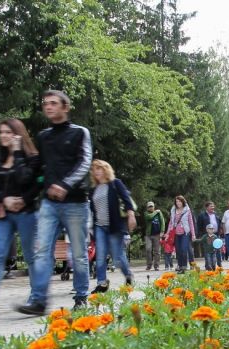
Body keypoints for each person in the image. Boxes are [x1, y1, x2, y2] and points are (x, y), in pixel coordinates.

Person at [18, 90, 92, 315]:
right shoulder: (44, 136)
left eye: (53, 103)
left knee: (78, 255)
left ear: (65, 107)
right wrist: (24, 196)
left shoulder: (80, 133)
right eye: (45, 103)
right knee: (42, 253)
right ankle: (38, 300)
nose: (48, 107)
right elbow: (39, 169)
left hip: (76, 203)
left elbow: (85, 162)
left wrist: (65, 185)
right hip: (48, 205)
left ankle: (80, 297)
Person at [0, 118, 41, 314]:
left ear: (18, 134)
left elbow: (28, 181)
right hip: (4, 215)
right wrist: (4, 199)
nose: (3, 136)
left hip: (27, 213)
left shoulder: (32, 157)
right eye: (1, 132)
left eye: (8, 132)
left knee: (31, 257)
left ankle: (36, 298)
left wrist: (16, 153)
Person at [88, 160, 136, 293]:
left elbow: (126, 200)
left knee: (118, 257)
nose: (96, 171)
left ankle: (128, 275)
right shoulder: (93, 189)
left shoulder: (115, 183)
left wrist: (131, 215)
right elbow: (92, 209)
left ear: (105, 170)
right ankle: (102, 282)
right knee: (100, 255)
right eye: (94, 169)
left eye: (99, 168)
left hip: (114, 226)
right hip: (99, 227)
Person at [166, 195, 196, 274]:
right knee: (178, 251)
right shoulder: (173, 210)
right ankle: (180, 266)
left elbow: (191, 223)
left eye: (179, 201)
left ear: (183, 202)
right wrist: (167, 233)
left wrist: (193, 234)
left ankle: (184, 267)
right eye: (176, 201)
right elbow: (171, 223)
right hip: (176, 233)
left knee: (183, 250)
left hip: (185, 233)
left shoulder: (187, 210)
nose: (178, 203)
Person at [196, 201, 222, 269]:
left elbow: (220, 223)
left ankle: (219, 264)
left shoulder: (216, 215)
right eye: (211, 206)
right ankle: (208, 265)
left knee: (218, 250)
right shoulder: (202, 215)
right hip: (207, 235)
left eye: (213, 206)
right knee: (208, 251)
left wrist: (220, 231)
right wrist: (200, 235)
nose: (213, 207)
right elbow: (198, 226)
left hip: (216, 234)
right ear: (206, 207)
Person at [144, 201, 165, 271]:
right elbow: (149, 217)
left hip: (157, 234)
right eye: (149, 206)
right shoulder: (146, 213)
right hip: (148, 235)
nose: (151, 208)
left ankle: (156, 266)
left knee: (157, 251)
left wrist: (162, 231)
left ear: (154, 207)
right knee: (148, 249)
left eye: (152, 206)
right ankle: (149, 265)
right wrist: (156, 212)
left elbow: (162, 222)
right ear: (147, 208)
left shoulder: (159, 213)